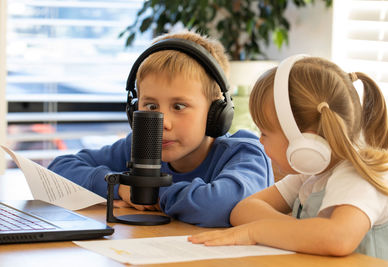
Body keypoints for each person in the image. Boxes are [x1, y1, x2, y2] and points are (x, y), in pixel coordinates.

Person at [48, 31, 273, 228]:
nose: (161, 121)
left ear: (216, 111)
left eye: (179, 106)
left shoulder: (245, 153)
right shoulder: (141, 147)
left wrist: (149, 193)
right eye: (151, 106)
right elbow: (59, 170)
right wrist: (120, 188)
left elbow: (219, 205)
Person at [189, 55, 388, 262]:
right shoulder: (312, 172)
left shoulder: (359, 175)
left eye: (265, 133)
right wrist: (297, 232)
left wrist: (258, 232)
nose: (260, 141)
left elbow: (339, 238)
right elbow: (243, 210)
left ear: (304, 140)